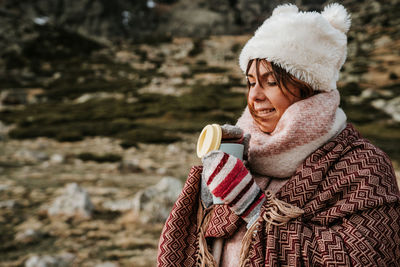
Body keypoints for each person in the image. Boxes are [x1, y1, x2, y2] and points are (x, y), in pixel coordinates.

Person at [157, 3, 400, 266]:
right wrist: (209, 192)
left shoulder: (364, 168)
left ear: (309, 86)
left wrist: (253, 207)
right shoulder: (246, 156)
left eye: (271, 82)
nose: (255, 96)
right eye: (251, 82)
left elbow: (366, 258)